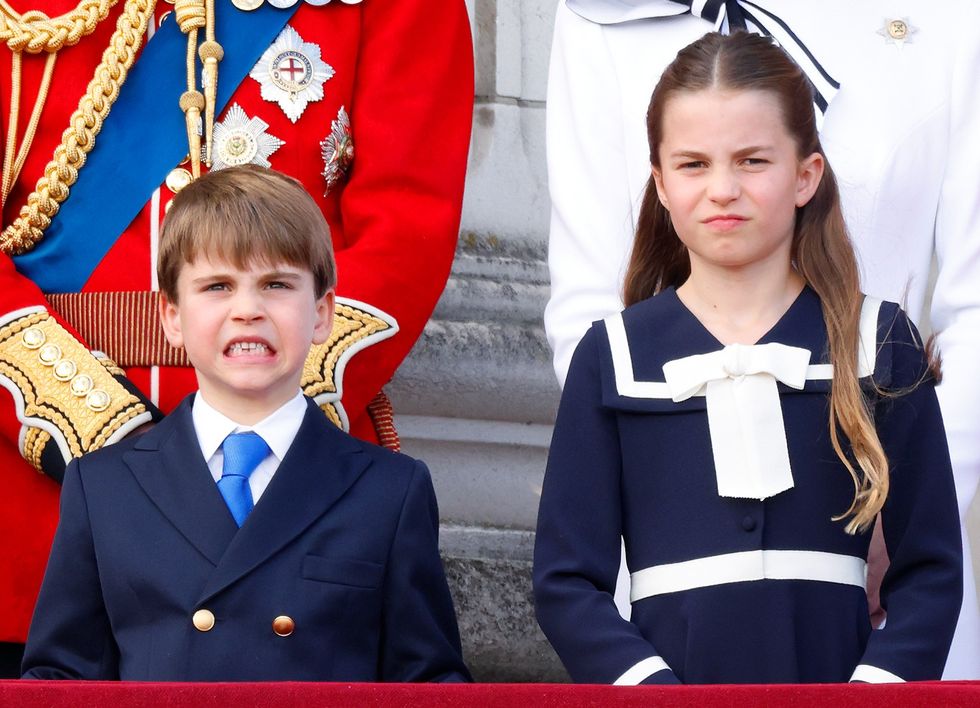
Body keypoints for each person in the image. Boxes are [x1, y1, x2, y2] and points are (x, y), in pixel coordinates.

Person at [0, 0, 473, 671]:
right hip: (39, 492)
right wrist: (103, 431)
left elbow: (407, 232)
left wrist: (266, 428)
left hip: (293, 504)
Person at [543, 0, 980, 679]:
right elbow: (568, 581)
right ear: (659, 181)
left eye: (753, 161)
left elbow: (929, 571)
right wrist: (648, 686)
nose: (723, 190)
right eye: (692, 166)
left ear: (807, 175)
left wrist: (875, 690)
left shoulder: (880, 343)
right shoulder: (613, 358)